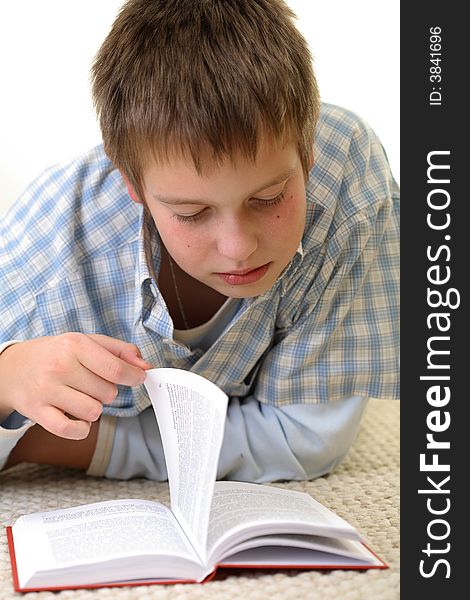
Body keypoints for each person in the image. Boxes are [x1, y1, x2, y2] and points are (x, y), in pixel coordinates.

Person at [0, 0, 399, 482]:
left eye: (270, 197)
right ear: (132, 184)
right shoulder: (53, 253)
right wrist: (6, 378)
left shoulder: (346, 174)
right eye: (190, 213)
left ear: (308, 153)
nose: (238, 247)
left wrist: (55, 444)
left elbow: (306, 438)